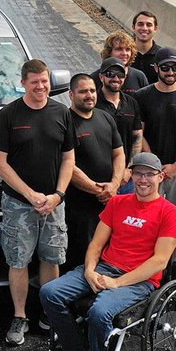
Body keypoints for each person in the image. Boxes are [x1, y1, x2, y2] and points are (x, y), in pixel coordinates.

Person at [40, 152, 176, 351]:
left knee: (99, 311)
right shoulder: (117, 203)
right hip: (105, 267)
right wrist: (89, 271)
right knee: (49, 292)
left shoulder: (170, 213)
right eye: (138, 173)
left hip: (140, 280)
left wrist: (118, 282)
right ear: (131, 175)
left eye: (149, 174)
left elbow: (159, 262)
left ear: (161, 177)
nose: (143, 179)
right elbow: (96, 245)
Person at [0, 59, 75, 346]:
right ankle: (20, 316)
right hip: (18, 204)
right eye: (35, 82)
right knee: (18, 260)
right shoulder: (8, 115)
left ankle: (49, 314)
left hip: (53, 204)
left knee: (51, 259)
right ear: (23, 82)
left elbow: (68, 159)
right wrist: (29, 194)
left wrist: (57, 195)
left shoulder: (62, 113)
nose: (41, 87)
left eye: (45, 81)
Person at [134, 47, 176, 279]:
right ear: (156, 68)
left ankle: (173, 263)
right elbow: (139, 132)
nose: (170, 71)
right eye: (165, 67)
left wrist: (175, 166)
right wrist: (154, 165)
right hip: (150, 171)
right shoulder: (142, 96)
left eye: (174, 67)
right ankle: (146, 260)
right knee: (147, 215)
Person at [65, 73, 124, 273]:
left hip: (109, 203)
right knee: (81, 256)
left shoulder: (105, 117)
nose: (89, 95)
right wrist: (98, 189)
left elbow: (119, 154)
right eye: (83, 91)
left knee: (107, 252)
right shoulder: (65, 122)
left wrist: (114, 185)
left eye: (92, 90)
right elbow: (69, 166)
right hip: (80, 207)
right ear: (71, 94)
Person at [94, 57, 143, 194]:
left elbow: (137, 138)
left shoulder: (132, 103)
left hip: (126, 179)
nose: (116, 78)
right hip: (100, 179)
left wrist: (129, 169)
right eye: (110, 74)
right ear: (101, 76)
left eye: (120, 74)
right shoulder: (93, 103)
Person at [90, 30, 148, 96]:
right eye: (119, 49)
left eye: (128, 49)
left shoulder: (139, 77)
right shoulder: (93, 79)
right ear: (109, 52)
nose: (124, 53)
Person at [131, 11, 162, 84]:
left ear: (155, 29)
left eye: (149, 25)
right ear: (133, 27)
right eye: (140, 24)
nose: (144, 28)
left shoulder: (161, 55)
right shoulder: (125, 54)